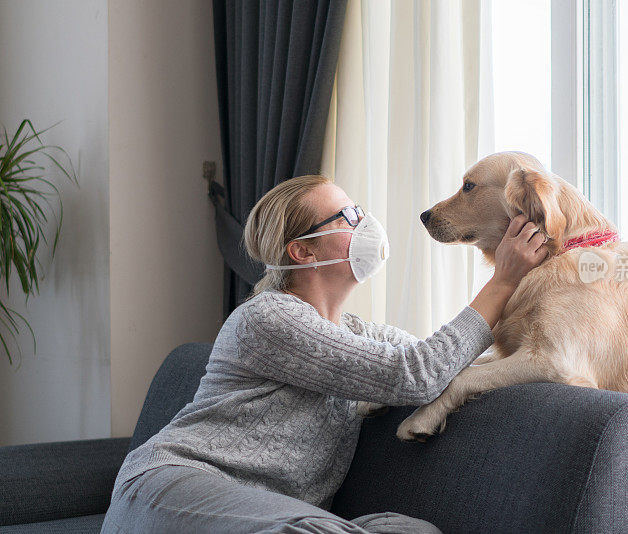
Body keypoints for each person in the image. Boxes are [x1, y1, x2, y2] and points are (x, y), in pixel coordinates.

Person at [101, 174, 548, 534]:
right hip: (173, 490)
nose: (364, 221)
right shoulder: (268, 318)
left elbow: (444, 358)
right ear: (302, 251)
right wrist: (502, 281)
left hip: (270, 512)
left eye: (359, 210)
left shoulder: (355, 333)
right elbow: (415, 374)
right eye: (346, 216)